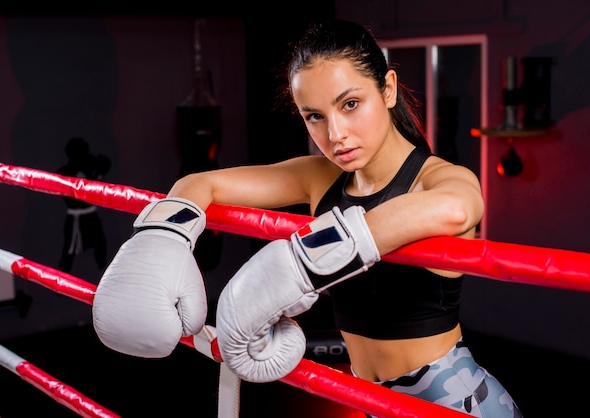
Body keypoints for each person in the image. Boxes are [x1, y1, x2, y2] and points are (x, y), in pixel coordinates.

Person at [92, 19, 523, 417]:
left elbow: (459, 206)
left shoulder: (438, 178)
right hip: (371, 400)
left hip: (455, 400)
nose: (334, 135)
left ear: (388, 89)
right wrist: (162, 237)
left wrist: (302, 263)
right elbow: (201, 183)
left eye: (351, 103)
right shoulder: (320, 177)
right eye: (314, 116)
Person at [57, 137, 110, 274]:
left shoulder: (92, 165)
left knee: (101, 248)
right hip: (75, 218)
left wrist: (96, 173)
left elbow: (105, 162)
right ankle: (59, 286)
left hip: (91, 216)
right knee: (68, 253)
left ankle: (105, 281)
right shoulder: (64, 172)